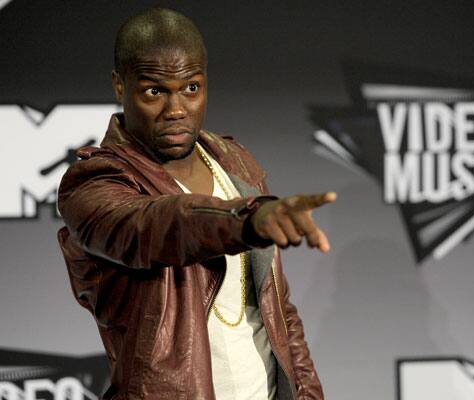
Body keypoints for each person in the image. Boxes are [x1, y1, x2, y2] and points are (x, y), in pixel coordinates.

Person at [57, 8, 333, 400]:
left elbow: (278, 310)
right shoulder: (94, 181)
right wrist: (246, 220)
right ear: (120, 86)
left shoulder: (234, 161)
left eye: (191, 88)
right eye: (155, 91)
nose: (176, 110)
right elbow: (154, 227)